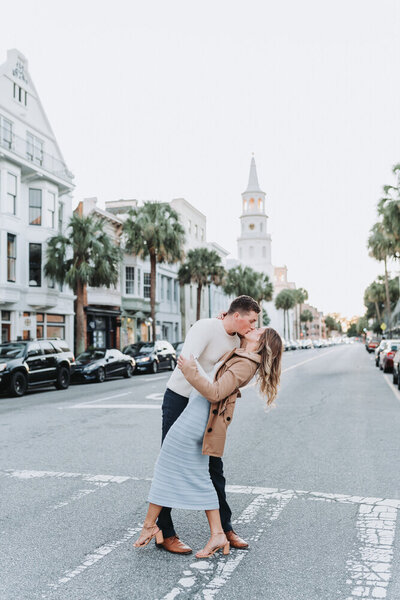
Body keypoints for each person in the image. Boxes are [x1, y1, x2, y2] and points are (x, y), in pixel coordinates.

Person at [133, 326, 283, 558]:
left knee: (172, 469)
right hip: (196, 413)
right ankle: (215, 533)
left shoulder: (246, 363)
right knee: (194, 474)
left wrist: (190, 370)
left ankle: (153, 526)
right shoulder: (242, 353)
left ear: (261, 341)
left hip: (198, 418)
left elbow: (215, 392)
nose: (254, 327)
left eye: (258, 328)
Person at [151, 295, 261, 555]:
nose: (254, 326)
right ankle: (164, 531)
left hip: (207, 406)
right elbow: (187, 361)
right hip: (180, 399)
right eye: (252, 320)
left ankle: (225, 528)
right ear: (237, 315)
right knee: (172, 463)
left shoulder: (237, 339)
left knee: (214, 466)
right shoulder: (205, 327)